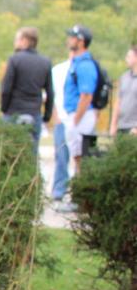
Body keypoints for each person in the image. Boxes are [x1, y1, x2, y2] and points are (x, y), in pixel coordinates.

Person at [59, 24, 100, 212]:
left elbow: (86, 95)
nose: (69, 40)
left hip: (81, 116)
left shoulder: (85, 65)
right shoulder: (77, 62)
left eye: (72, 37)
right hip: (77, 115)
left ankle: (80, 199)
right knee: (77, 158)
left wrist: (75, 120)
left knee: (81, 158)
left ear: (81, 41)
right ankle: (78, 198)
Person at [0, 26, 54, 153]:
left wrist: (4, 109)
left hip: (14, 112)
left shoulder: (15, 59)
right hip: (34, 113)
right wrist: (47, 116)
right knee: (32, 152)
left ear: (24, 40)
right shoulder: (45, 62)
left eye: (17, 39)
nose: (15, 42)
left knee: (8, 151)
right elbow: (50, 92)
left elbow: (6, 89)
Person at [50, 52, 72, 201]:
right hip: (62, 119)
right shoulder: (58, 70)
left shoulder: (86, 68)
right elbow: (52, 94)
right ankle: (59, 190)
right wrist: (55, 115)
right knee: (61, 156)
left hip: (77, 120)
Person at [109, 45, 137, 139]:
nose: (126, 59)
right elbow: (118, 102)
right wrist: (113, 125)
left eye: (129, 57)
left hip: (134, 128)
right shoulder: (124, 77)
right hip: (121, 126)